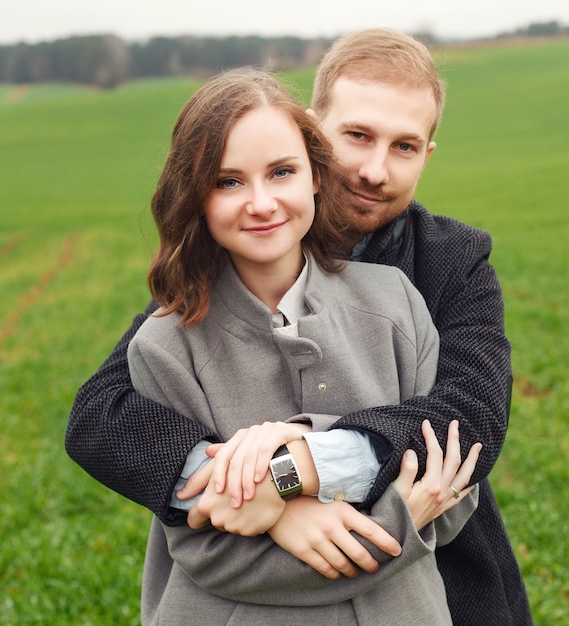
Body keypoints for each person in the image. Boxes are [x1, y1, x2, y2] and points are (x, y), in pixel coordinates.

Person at [66, 28, 532, 624]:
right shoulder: (219, 270)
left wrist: (293, 471)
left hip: (441, 576)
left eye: (404, 147)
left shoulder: (446, 264)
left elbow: (472, 416)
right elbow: (102, 412)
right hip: (252, 582)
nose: (373, 169)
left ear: (427, 154)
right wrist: (254, 496)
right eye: (357, 136)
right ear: (313, 134)